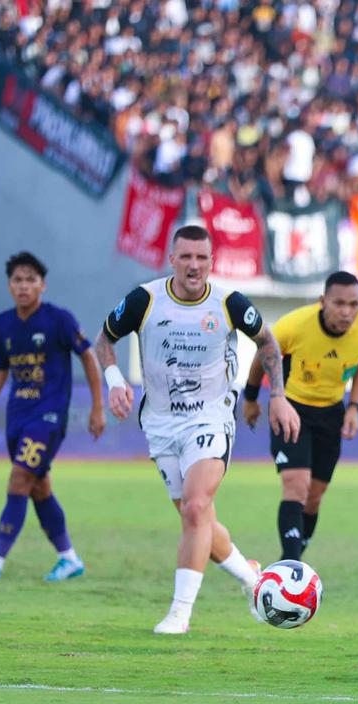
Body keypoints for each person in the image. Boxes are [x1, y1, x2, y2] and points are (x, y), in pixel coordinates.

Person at [94, 226, 301, 634]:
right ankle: (252, 578)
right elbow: (104, 340)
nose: (193, 265)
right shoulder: (144, 299)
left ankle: (180, 614)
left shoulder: (230, 304)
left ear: (211, 261)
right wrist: (115, 379)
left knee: (194, 507)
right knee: (199, 517)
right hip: (160, 421)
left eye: (201, 258)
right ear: (172, 260)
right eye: (185, 257)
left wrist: (276, 395)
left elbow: (268, 344)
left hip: (211, 416)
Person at [0, 252, 105, 582]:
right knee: (38, 487)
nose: (23, 286)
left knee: (19, 478)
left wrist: (97, 406)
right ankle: (69, 558)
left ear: (42, 285)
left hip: (48, 417)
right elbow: (0, 370)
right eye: (17, 280)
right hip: (18, 416)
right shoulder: (2, 324)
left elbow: (87, 356)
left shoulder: (59, 319)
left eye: (30, 280)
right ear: (9, 285)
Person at [243, 271, 358, 561]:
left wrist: (354, 406)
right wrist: (252, 398)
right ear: (323, 301)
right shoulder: (293, 326)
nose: (347, 312)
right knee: (296, 484)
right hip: (291, 409)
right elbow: (262, 356)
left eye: (354, 304)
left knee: (314, 496)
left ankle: (290, 564)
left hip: (332, 413)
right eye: (339, 303)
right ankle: (290, 567)